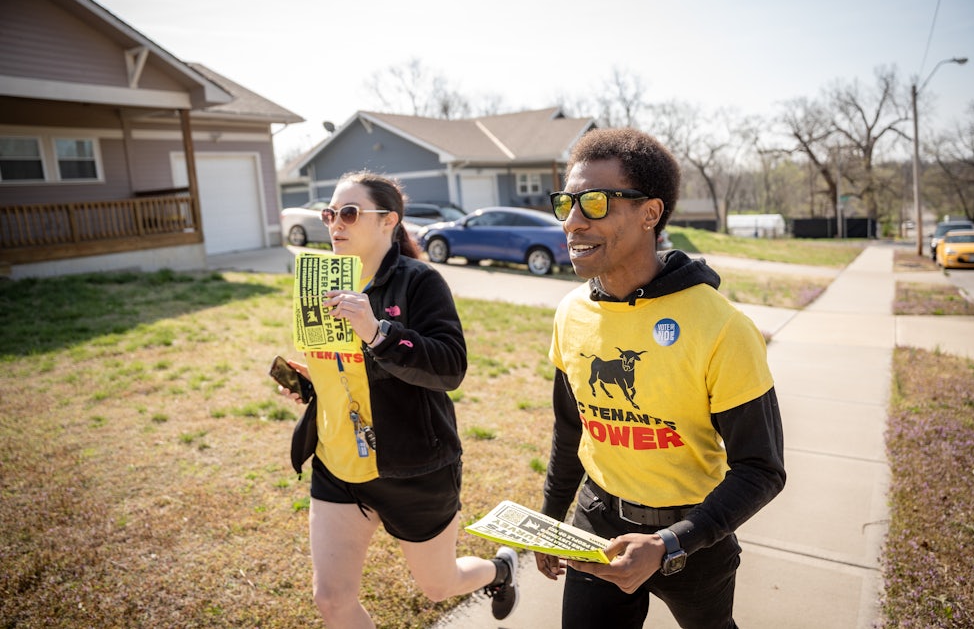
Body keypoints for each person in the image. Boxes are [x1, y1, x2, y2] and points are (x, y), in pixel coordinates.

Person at [534, 128, 786, 629]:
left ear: (651, 213)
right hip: (597, 527)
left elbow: (762, 468)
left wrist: (671, 543)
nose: (573, 221)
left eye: (597, 203)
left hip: (693, 539)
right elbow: (571, 429)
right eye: (568, 203)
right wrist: (549, 518)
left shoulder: (722, 327)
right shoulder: (571, 312)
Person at [275, 171, 518, 627]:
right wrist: (312, 383)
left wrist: (377, 332)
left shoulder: (419, 282)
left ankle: (499, 570)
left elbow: (450, 367)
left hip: (412, 469)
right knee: (331, 600)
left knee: (438, 586)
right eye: (330, 214)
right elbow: (346, 370)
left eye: (349, 213)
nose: (335, 225)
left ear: (389, 221)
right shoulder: (322, 281)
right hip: (338, 464)